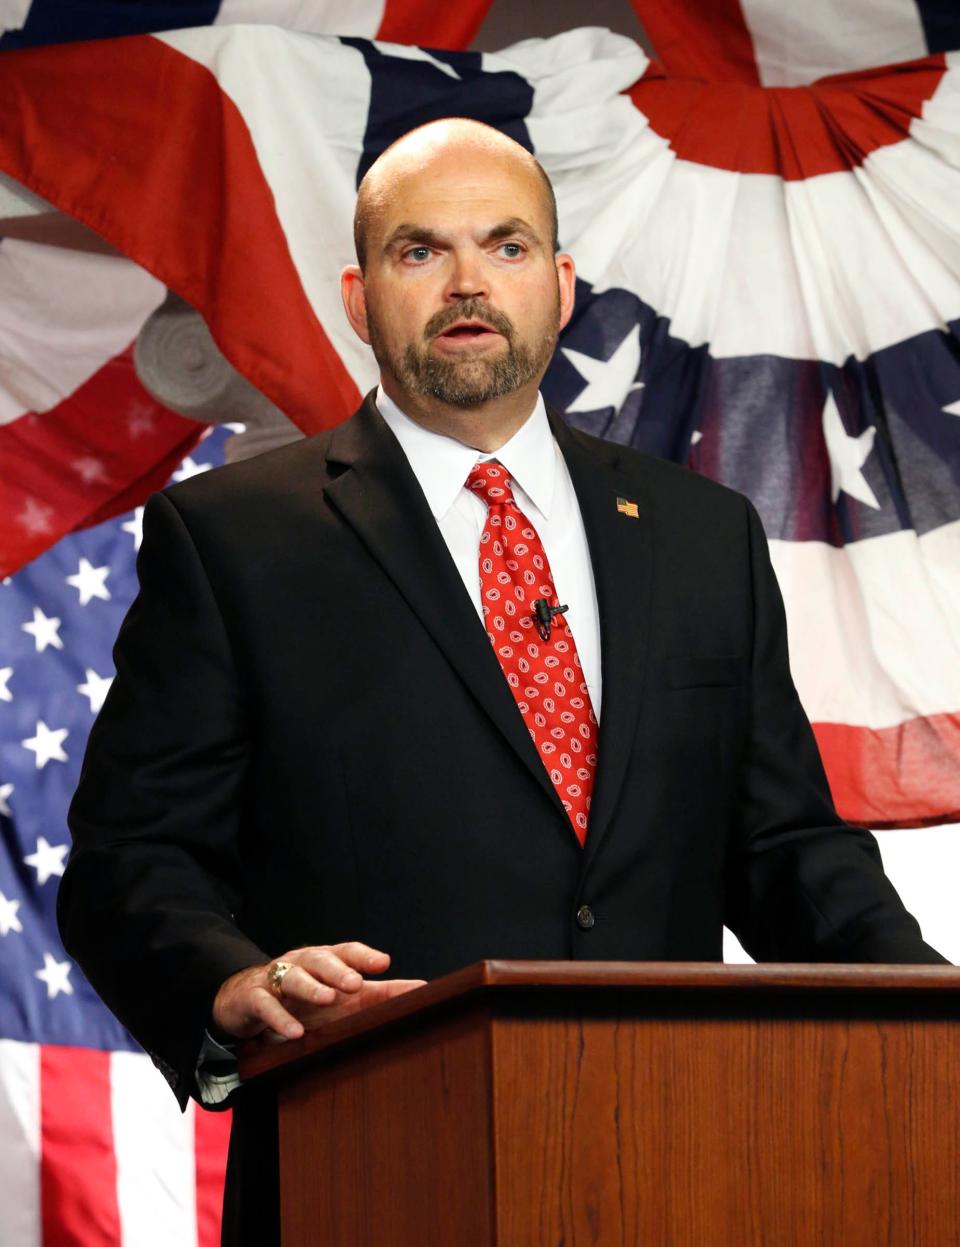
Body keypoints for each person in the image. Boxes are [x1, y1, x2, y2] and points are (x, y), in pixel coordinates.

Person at [58, 118, 947, 1246]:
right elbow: (132, 861)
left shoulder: (700, 533)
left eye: (508, 245)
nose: (469, 281)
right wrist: (231, 980)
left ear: (563, 283)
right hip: (370, 1167)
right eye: (420, 250)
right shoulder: (232, 539)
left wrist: (935, 1017)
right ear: (357, 293)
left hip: (682, 1165)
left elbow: (785, 853)